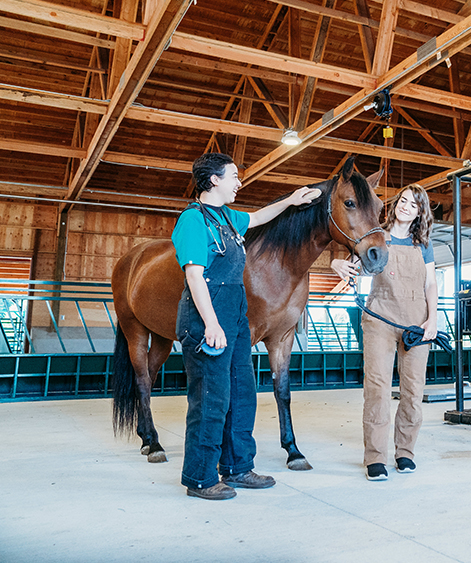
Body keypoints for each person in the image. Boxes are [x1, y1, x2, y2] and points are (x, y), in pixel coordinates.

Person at [173, 152, 320, 500]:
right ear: (214, 180)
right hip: (207, 314)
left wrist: (290, 200)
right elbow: (194, 276)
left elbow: (256, 218)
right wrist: (211, 322)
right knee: (211, 399)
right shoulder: (193, 221)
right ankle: (200, 478)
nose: (239, 182)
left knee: (241, 394)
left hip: (236, 315)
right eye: (234, 176)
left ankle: (239, 467)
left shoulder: (227, 217)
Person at [331, 185, 438, 481]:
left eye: (413, 204)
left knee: (413, 391)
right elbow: (352, 264)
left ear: (420, 212)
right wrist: (335, 262)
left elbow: (430, 284)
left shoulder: (423, 243)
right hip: (379, 317)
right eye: (403, 200)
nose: (405, 206)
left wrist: (433, 320)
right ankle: (375, 457)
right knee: (377, 389)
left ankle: (405, 452)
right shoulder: (378, 235)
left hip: (416, 323)